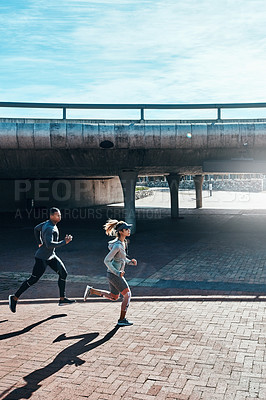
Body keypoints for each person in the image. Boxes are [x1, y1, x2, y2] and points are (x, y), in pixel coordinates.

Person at [9, 207, 75, 313]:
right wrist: (64, 242)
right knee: (33, 280)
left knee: (63, 274)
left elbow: (36, 228)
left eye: (60, 215)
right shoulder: (50, 228)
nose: (60, 217)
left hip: (51, 256)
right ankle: (14, 297)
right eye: (58, 215)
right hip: (42, 258)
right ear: (52, 216)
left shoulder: (47, 224)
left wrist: (39, 241)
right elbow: (49, 245)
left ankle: (62, 299)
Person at [84, 219, 137, 327]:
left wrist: (130, 262)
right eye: (126, 229)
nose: (128, 231)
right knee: (127, 294)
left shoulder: (123, 243)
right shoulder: (117, 245)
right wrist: (117, 272)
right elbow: (106, 260)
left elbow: (121, 258)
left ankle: (92, 291)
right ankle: (121, 320)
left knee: (114, 297)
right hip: (114, 275)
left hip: (113, 275)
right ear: (121, 231)